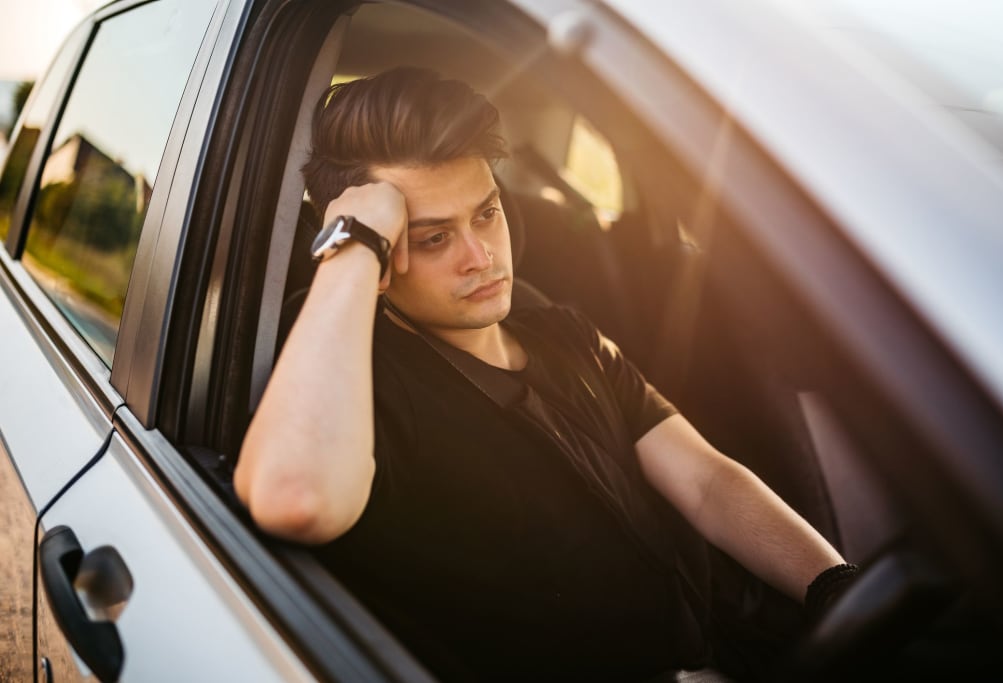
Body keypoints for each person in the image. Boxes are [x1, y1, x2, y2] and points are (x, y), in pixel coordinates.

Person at [234, 67, 854, 681]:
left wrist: (834, 588)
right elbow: (296, 500)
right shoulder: (358, 379)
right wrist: (352, 243)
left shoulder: (564, 334)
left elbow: (706, 482)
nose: (480, 258)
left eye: (486, 214)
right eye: (430, 239)